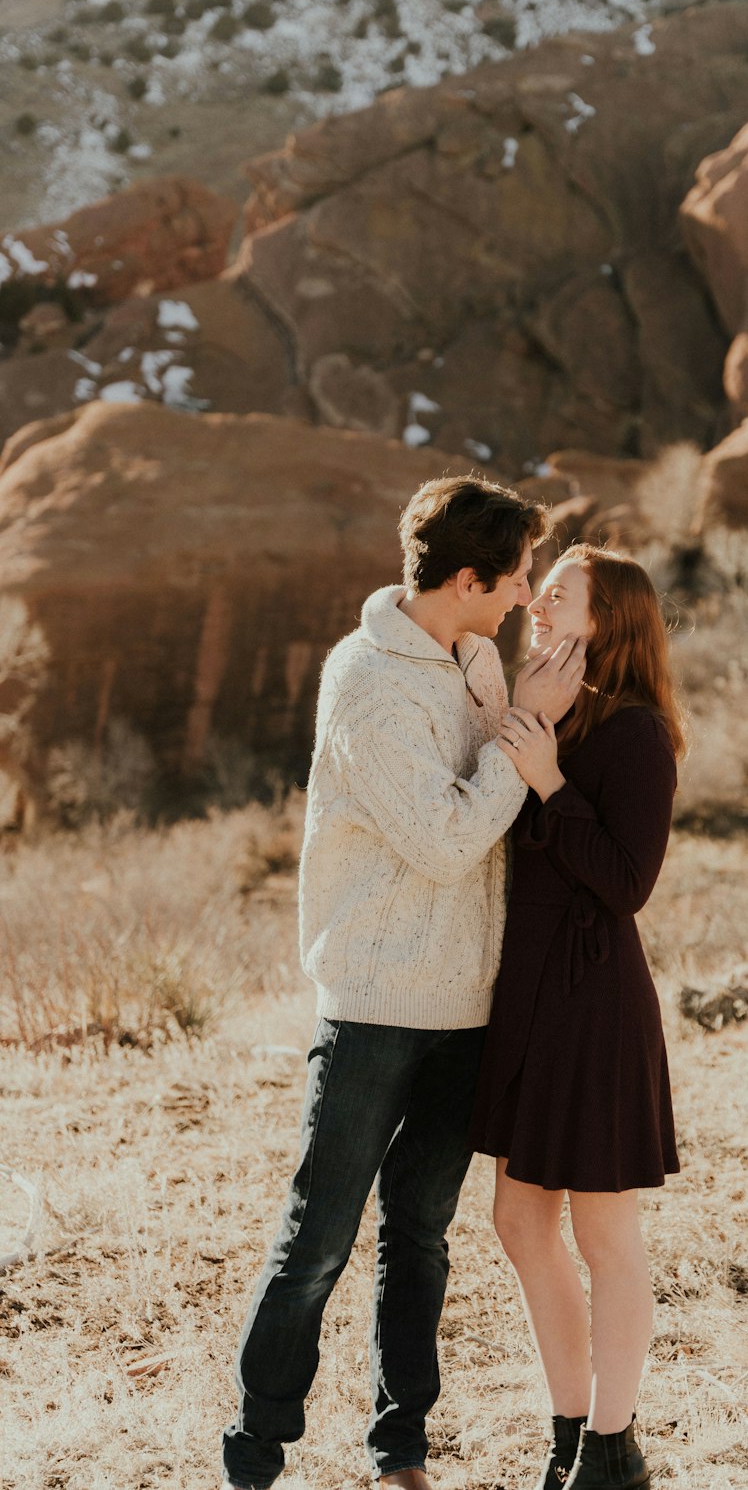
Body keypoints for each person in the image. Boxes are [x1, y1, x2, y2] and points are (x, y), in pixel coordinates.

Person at [221, 477, 587, 1490]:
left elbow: (493, 821)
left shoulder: (473, 659)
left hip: (467, 1011)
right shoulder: (368, 685)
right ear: (468, 579)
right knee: (317, 1241)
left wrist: (523, 724)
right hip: (376, 1008)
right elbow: (441, 841)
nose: (523, 597)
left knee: (419, 1239)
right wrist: (529, 735)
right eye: (513, 579)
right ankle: (253, 1456)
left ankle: (400, 1454)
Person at [468, 544, 686, 1490]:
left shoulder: (637, 734)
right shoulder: (548, 709)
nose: (540, 602)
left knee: (606, 1236)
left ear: (608, 621)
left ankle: (613, 1444)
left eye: (560, 594)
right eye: (541, 589)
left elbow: (628, 886)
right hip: (529, 1001)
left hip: (594, 1002)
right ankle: (571, 1430)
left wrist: (552, 778)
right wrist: (528, 728)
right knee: (519, 1219)